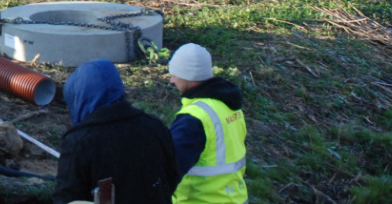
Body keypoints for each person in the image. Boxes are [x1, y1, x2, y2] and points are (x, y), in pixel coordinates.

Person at [53, 59, 179, 204]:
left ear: (79, 96)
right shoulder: (155, 127)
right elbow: (172, 178)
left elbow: (66, 197)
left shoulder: (80, 141)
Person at [167, 44, 247, 204]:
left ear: (188, 76)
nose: (172, 80)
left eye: (175, 74)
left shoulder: (193, 119)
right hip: (234, 197)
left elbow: (169, 169)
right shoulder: (229, 105)